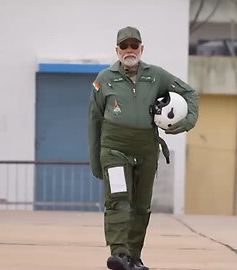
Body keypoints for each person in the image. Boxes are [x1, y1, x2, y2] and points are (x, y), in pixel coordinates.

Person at [88, 26, 199, 270]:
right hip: (114, 149)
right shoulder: (103, 80)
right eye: (124, 46)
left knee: (140, 205)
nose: (129, 50)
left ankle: (134, 257)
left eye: (134, 46)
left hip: (147, 151)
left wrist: (187, 122)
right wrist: (95, 160)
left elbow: (190, 93)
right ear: (117, 50)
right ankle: (119, 253)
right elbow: (94, 121)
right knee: (119, 200)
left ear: (141, 48)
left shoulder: (156, 76)